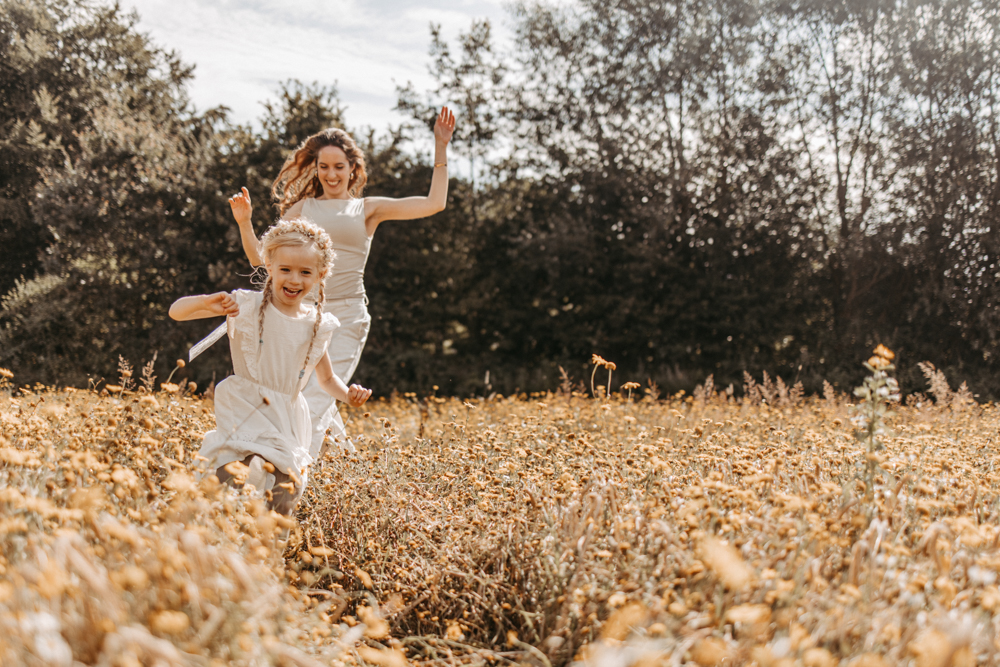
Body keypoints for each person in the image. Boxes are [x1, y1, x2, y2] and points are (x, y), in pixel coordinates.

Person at [228, 106, 455, 455]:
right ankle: (349, 468)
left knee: (316, 399)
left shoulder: (367, 209)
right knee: (304, 396)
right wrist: (245, 222)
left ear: (353, 168)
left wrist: (441, 146)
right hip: (303, 316)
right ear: (316, 170)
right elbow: (261, 258)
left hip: (347, 316)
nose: (331, 174)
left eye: (338, 166)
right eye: (323, 167)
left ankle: (292, 476)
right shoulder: (303, 209)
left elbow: (434, 203)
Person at [169, 219, 372, 515]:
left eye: (305, 272)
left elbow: (327, 380)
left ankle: (269, 552)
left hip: (286, 416)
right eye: (285, 270)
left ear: (320, 275)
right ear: (269, 266)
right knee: (231, 475)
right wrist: (207, 302)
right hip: (245, 406)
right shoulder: (246, 306)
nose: (294, 279)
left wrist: (349, 395)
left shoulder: (316, 324)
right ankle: (204, 531)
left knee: (285, 489)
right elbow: (176, 312)